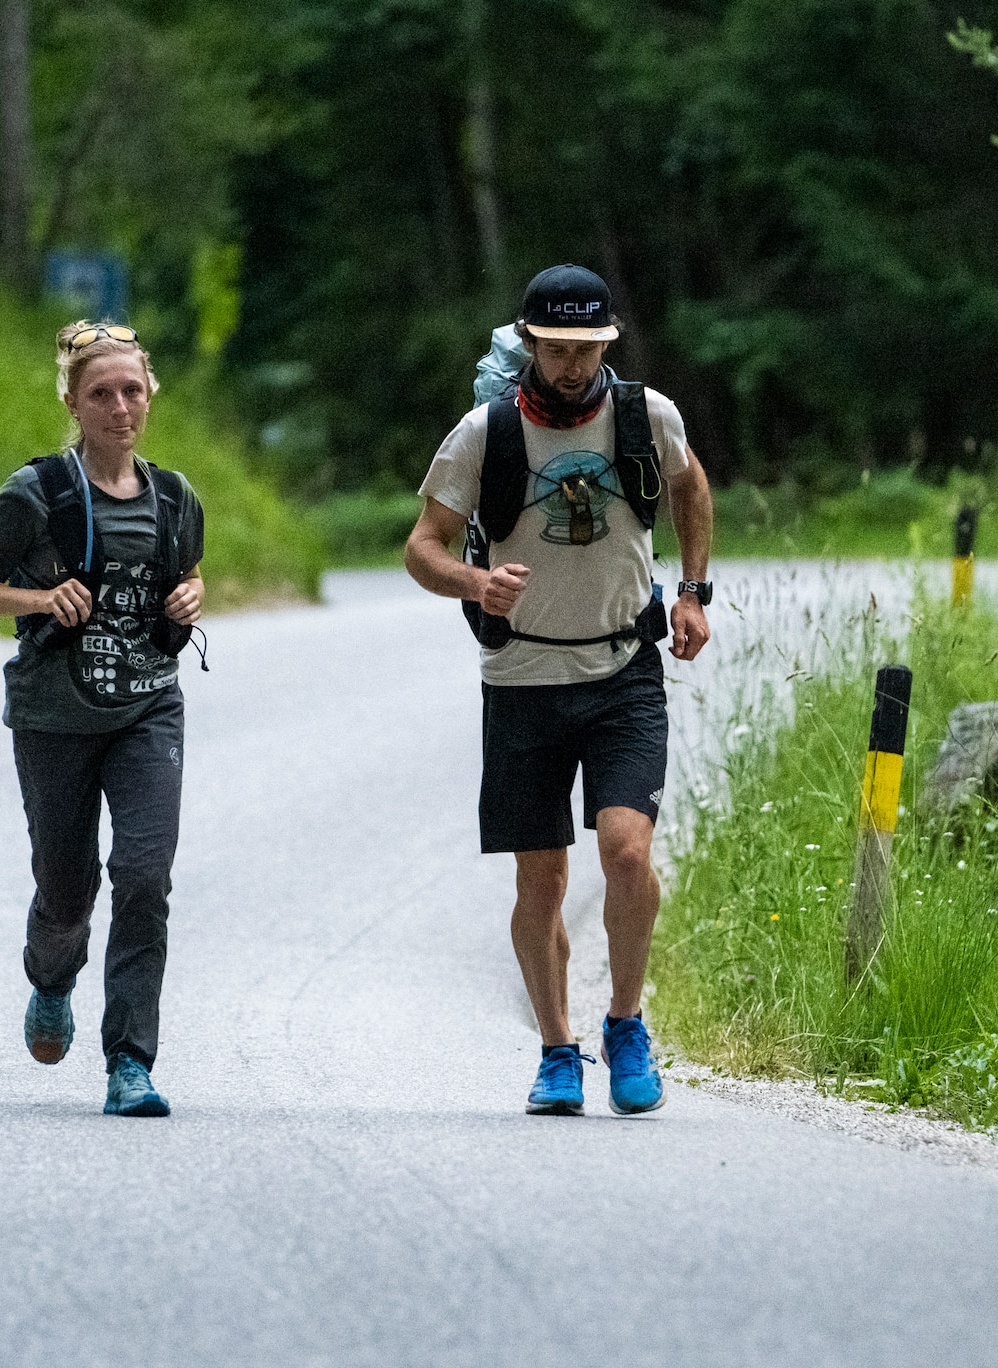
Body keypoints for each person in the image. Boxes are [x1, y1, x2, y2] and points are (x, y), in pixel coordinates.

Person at [405, 265, 715, 1116]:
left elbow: (689, 486)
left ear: (606, 343)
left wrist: (691, 592)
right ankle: (555, 1052)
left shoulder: (648, 416)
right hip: (522, 678)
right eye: (557, 349)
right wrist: (474, 584)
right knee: (539, 884)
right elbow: (422, 546)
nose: (573, 365)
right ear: (530, 344)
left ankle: (625, 1023)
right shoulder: (483, 433)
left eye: (587, 348)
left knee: (626, 852)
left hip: (623, 670)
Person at [0, 320, 205, 1118]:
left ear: (150, 396)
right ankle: (52, 977)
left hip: (147, 710)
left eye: (132, 390)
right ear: (72, 401)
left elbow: (181, 575)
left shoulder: (177, 496)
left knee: (144, 877)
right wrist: (35, 599)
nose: (120, 407)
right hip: (53, 716)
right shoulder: (37, 494)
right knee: (67, 891)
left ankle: (130, 1062)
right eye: (101, 393)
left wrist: (190, 598)